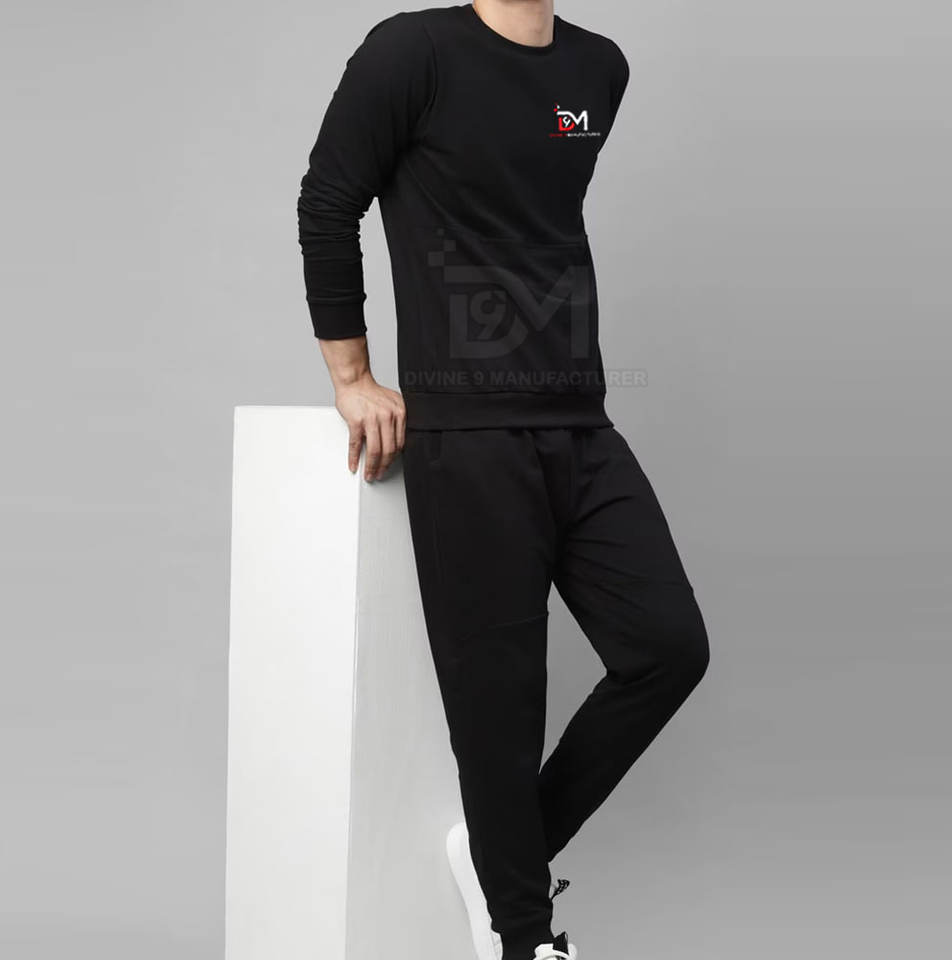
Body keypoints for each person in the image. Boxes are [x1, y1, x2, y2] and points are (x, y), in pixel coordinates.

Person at [296, 3, 709, 957]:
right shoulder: (413, 53)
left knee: (668, 649)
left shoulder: (601, 69)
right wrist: (352, 378)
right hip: (466, 434)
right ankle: (527, 936)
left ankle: (499, 857)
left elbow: (536, 223)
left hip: (581, 420)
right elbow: (327, 200)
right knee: (501, 707)